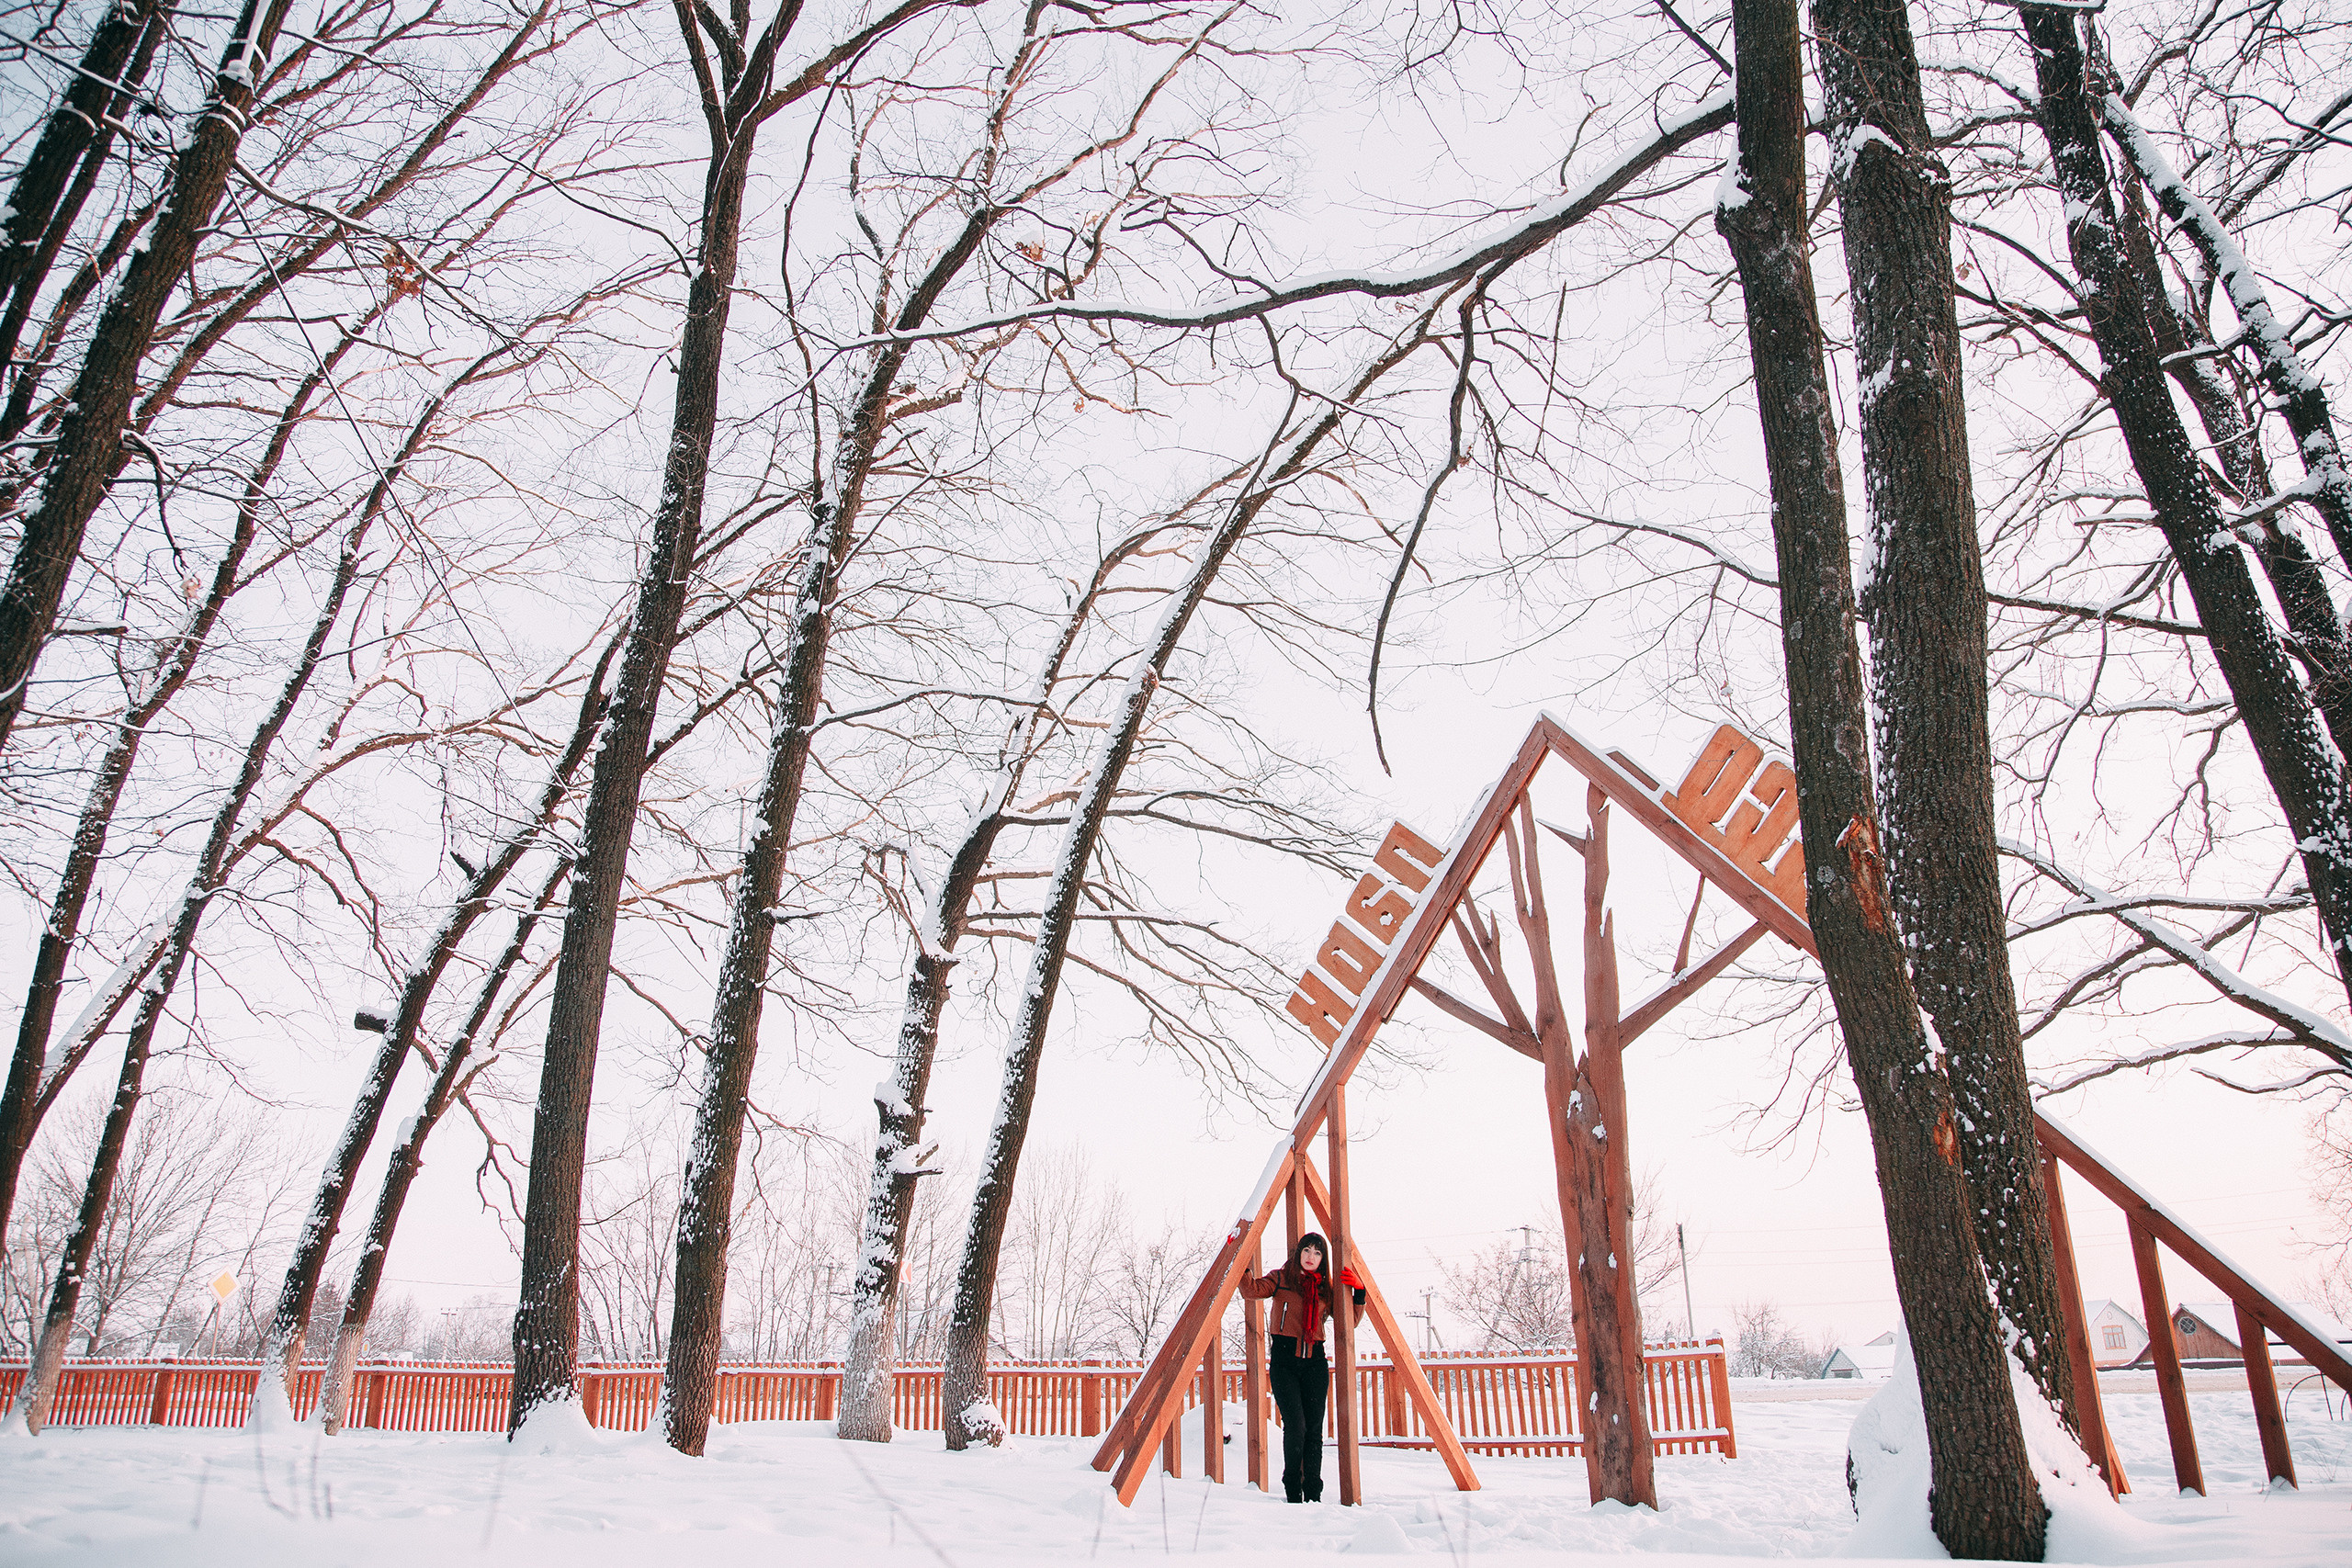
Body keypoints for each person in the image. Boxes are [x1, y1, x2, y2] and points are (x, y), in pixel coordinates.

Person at [1240, 1232, 1365, 1503]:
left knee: (1313, 1431)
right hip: (1285, 1363)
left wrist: (1359, 1291)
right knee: (1296, 1426)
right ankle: (1292, 1489)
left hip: (1315, 1365)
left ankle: (1313, 1494)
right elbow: (1251, 1290)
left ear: (1323, 1259)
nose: (1311, 1257)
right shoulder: (1281, 1279)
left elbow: (1350, 1321)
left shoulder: (1325, 1290)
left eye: (1317, 1253)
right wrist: (1242, 1261)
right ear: (1298, 1253)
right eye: (1307, 1251)